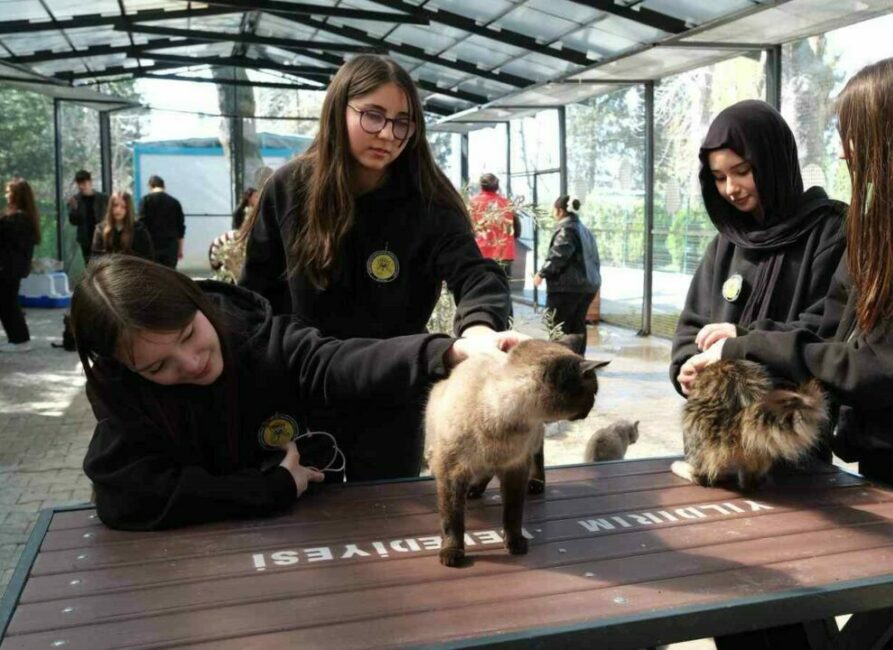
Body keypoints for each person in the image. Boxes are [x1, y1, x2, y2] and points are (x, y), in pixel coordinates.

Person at [680, 52, 893, 650]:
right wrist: (736, 352)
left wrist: (747, 345)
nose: (844, 152)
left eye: (855, 135)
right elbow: (838, 332)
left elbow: (878, 367)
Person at [72, 255, 523, 530]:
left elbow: (339, 362)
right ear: (125, 369)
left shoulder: (262, 339)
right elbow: (126, 498)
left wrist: (449, 352)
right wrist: (268, 488)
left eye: (189, 334)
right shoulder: (124, 399)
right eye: (158, 366)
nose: (191, 363)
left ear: (198, 302)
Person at [239, 54, 511, 481]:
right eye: (373, 115)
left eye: (403, 122)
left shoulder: (429, 201)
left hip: (393, 396)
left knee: (389, 510)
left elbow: (476, 273)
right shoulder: (289, 189)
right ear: (338, 109)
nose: (388, 134)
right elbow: (253, 301)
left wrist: (479, 330)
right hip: (302, 392)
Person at [671, 100, 847, 397]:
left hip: (791, 413)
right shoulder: (726, 243)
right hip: (722, 414)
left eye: (742, 171)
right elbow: (692, 324)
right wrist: (687, 366)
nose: (730, 188)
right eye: (719, 178)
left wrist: (744, 341)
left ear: (773, 163)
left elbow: (827, 326)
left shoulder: (830, 231)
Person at [532, 194, 601, 355]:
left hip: (567, 288)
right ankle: (577, 361)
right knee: (577, 326)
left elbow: (559, 254)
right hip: (587, 287)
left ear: (560, 211)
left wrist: (542, 273)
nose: (553, 213)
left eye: (554, 209)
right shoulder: (585, 230)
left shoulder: (566, 229)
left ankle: (560, 361)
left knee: (558, 326)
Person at [0, 179, 41, 353]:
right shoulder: (21, 217)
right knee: (7, 301)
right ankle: (17, 338)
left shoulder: (19, 218)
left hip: (9, 267)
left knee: (7, 302)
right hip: (11, 266)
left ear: (17, 195)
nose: (6, 195)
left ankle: (20, 339)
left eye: (9, 192)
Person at [469, 172, 518, 276]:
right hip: (504, 253)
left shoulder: (473, 204)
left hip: (480, 253)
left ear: (481, 186)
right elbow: (516, 229)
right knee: (502, 283)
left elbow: (467, 228)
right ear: (497, 186)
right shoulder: (507, 204)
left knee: (482, 284)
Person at [138, 175, 186, 269]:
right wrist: (180, 250)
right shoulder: (175, 203)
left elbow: (141, 226)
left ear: (150, 186)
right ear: (164, 186)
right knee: (168, 275)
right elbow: (181, 229)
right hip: (170, 248)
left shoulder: (145, 201)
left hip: (151, 247)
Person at [91, 191, 154, 261]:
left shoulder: (139, 229)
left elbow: (147, 257)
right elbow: (95, 257)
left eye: (123, 207)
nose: (118, 210)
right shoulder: (100, 229)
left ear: (128, 209)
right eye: (115, 205)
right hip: (109, 267)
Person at [66, 169, 107, 263]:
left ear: (90, 182)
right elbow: (73, 222)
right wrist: (74, 210)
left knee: (103, 263)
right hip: (86, 238)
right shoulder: (75, 200)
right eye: (79, 184)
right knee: (89, 264)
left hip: (103, 236)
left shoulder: (103, 198)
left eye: (84, 183)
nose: (81, 186)